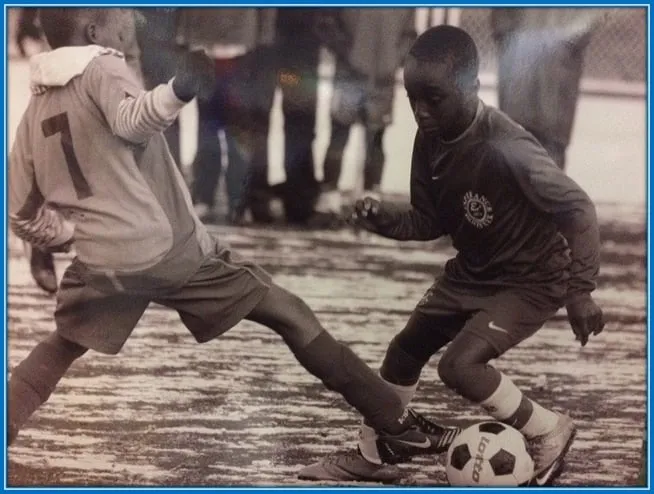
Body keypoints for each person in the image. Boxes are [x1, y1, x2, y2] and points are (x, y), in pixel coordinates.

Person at [7, 10, 463, 468]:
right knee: (292, 315)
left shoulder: (34, 109)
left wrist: (65, 238)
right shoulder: (102, 65)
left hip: (103, 260)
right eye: (119, 13)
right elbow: (131, 121)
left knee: (63, 344)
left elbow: (18, 210)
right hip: (163, 249)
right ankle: (395, 425)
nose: (131, 19)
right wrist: (179, 89)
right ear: (93, 32)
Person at [299, 25, 604, 485]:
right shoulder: (431, 139)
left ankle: (548, 430)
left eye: (434, 99)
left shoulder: (508, 145)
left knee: (459, 367)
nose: (421, 112)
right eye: (412, 97)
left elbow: (578, 207)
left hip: (530, 280)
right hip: (472, 272)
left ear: (471, 88)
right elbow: (430, 219)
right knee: (404, 351)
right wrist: (385, 221)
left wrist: (580, 291)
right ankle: (380, 446)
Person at [311, 8, 417, 227]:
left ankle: (371, 202)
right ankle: (329, 202)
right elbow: (326, 21)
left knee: (376, 138)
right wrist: (347, 52)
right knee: (339, 135)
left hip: (382, 80)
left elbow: (410, 34)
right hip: (347, 75)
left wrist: (394, 58)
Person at [176, 7, 277, 225]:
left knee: (237, 128)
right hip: (202, 42)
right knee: (206, 126)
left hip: (240, 45)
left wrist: (264, 36)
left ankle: (237, 201)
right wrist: (184, 32)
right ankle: (204, 195)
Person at [490, 8, 602, 170]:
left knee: (550, 138)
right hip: (518, 41)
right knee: (512, 135)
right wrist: (505, 32)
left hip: (558, 50)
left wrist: (572, 35)